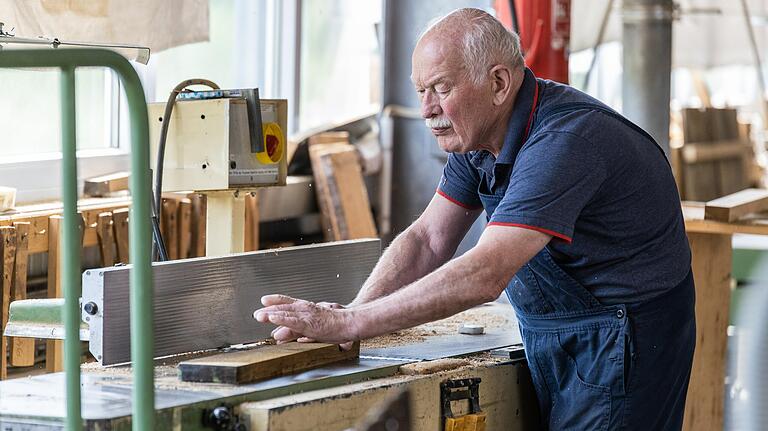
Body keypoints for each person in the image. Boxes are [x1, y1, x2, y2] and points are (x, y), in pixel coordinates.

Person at [255, 7, 695, 430]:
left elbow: (486, 273)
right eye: (420, 91)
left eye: (441, 88)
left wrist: (348, 324)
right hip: (562, 333)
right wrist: (355, 316)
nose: (427, 109)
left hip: (625, 340)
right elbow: (429, 238)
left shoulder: (565, 141)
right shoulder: (480, 137)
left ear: (499, 83)